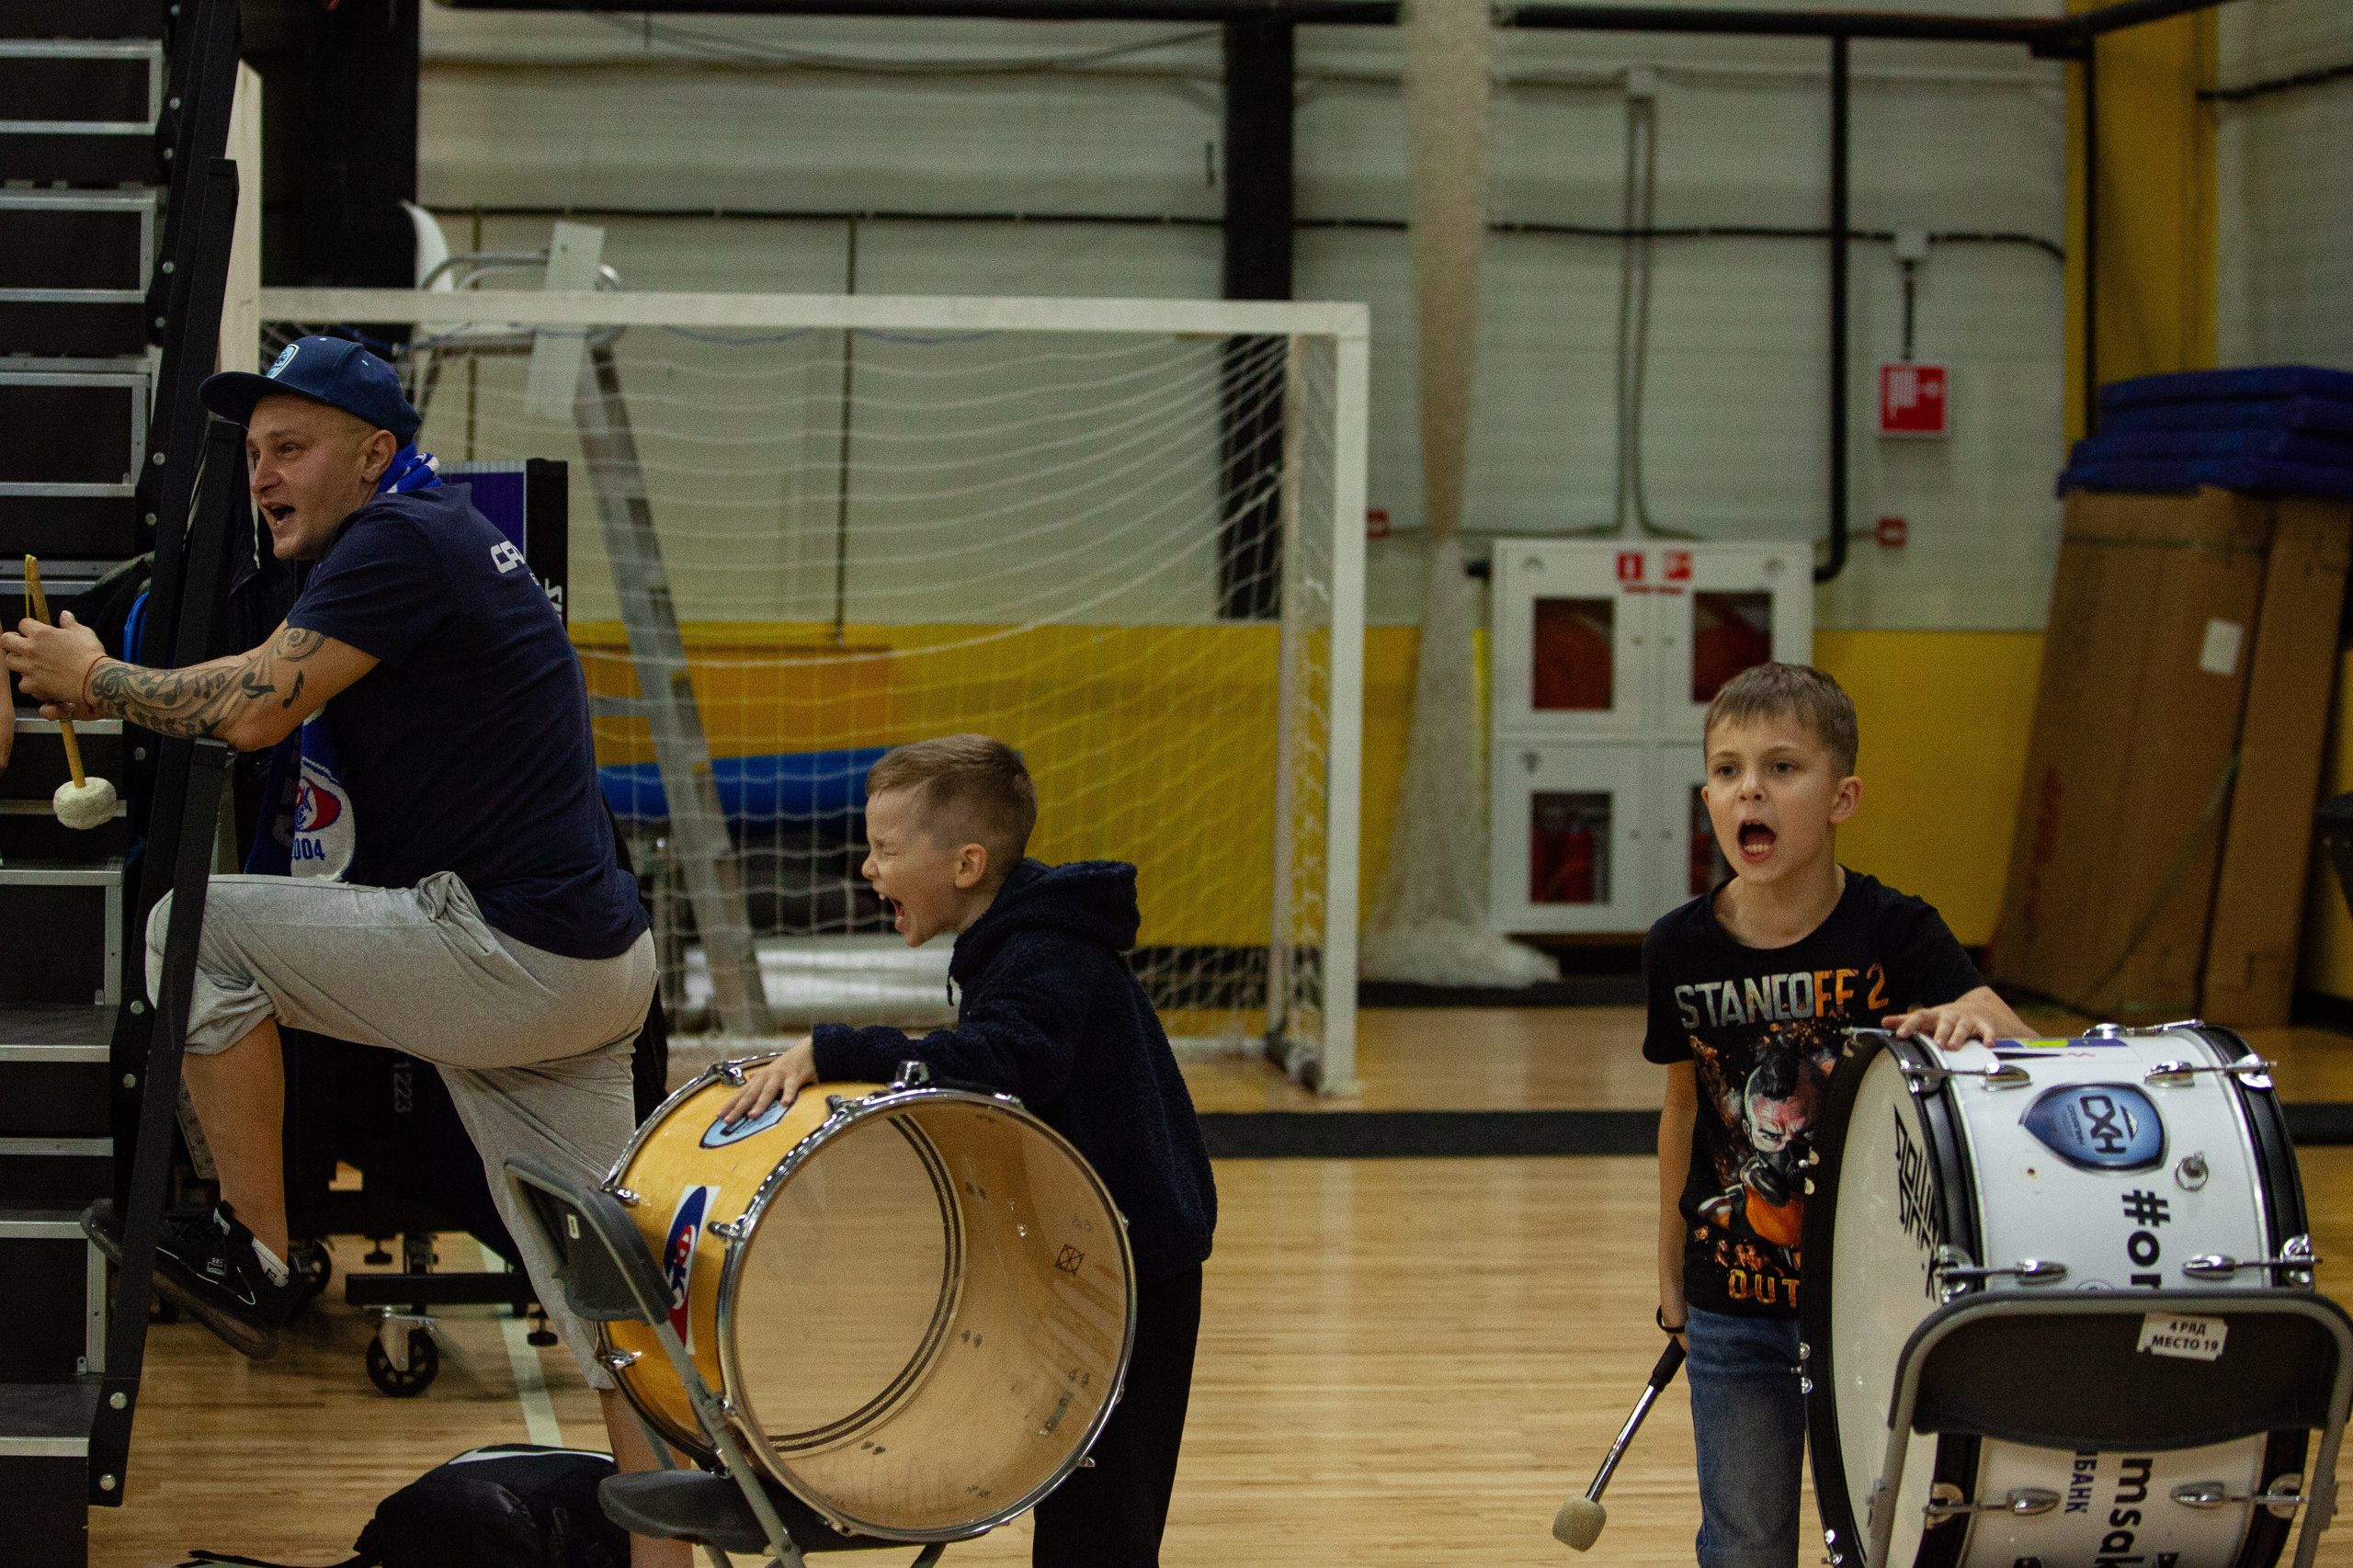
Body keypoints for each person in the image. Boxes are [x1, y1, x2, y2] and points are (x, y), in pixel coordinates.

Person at [2, 336, 688, 1566]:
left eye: (294, 447)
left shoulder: (398, 541)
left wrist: (96, 677)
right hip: (594, 970)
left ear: (373, 454)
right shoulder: (431, 541)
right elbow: (252, 663)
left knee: (193, 930)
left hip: (509, 950)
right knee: (616, 1318)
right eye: (257, 451)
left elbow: (259, 705)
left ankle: (260, 1252)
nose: (266, 474)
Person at [720, 734, 1216, 1568]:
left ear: (966, 864)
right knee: (1075, 1488)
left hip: (1135, 1266)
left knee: (1105, 1512)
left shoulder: (1046, 951)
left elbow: (1001, 1061)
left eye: (884, 849)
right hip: (1086, 1253)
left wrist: (840, 1050)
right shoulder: (1019, 938)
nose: (869, 869)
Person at [1643, 662, 2027, 1568]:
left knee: (1884, 1536)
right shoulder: (1678, 946)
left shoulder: (1895, 930)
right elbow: (1679, 1109)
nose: (1751, 789)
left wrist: (1972, 1024)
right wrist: (1669, 1275)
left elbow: (2019, 1042)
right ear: (1707, 796)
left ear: (1841, 796)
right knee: (1744, 1540)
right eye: (1729, 769)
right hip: (1733, 1298)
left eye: (1782, 767)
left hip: (1882, 1303)